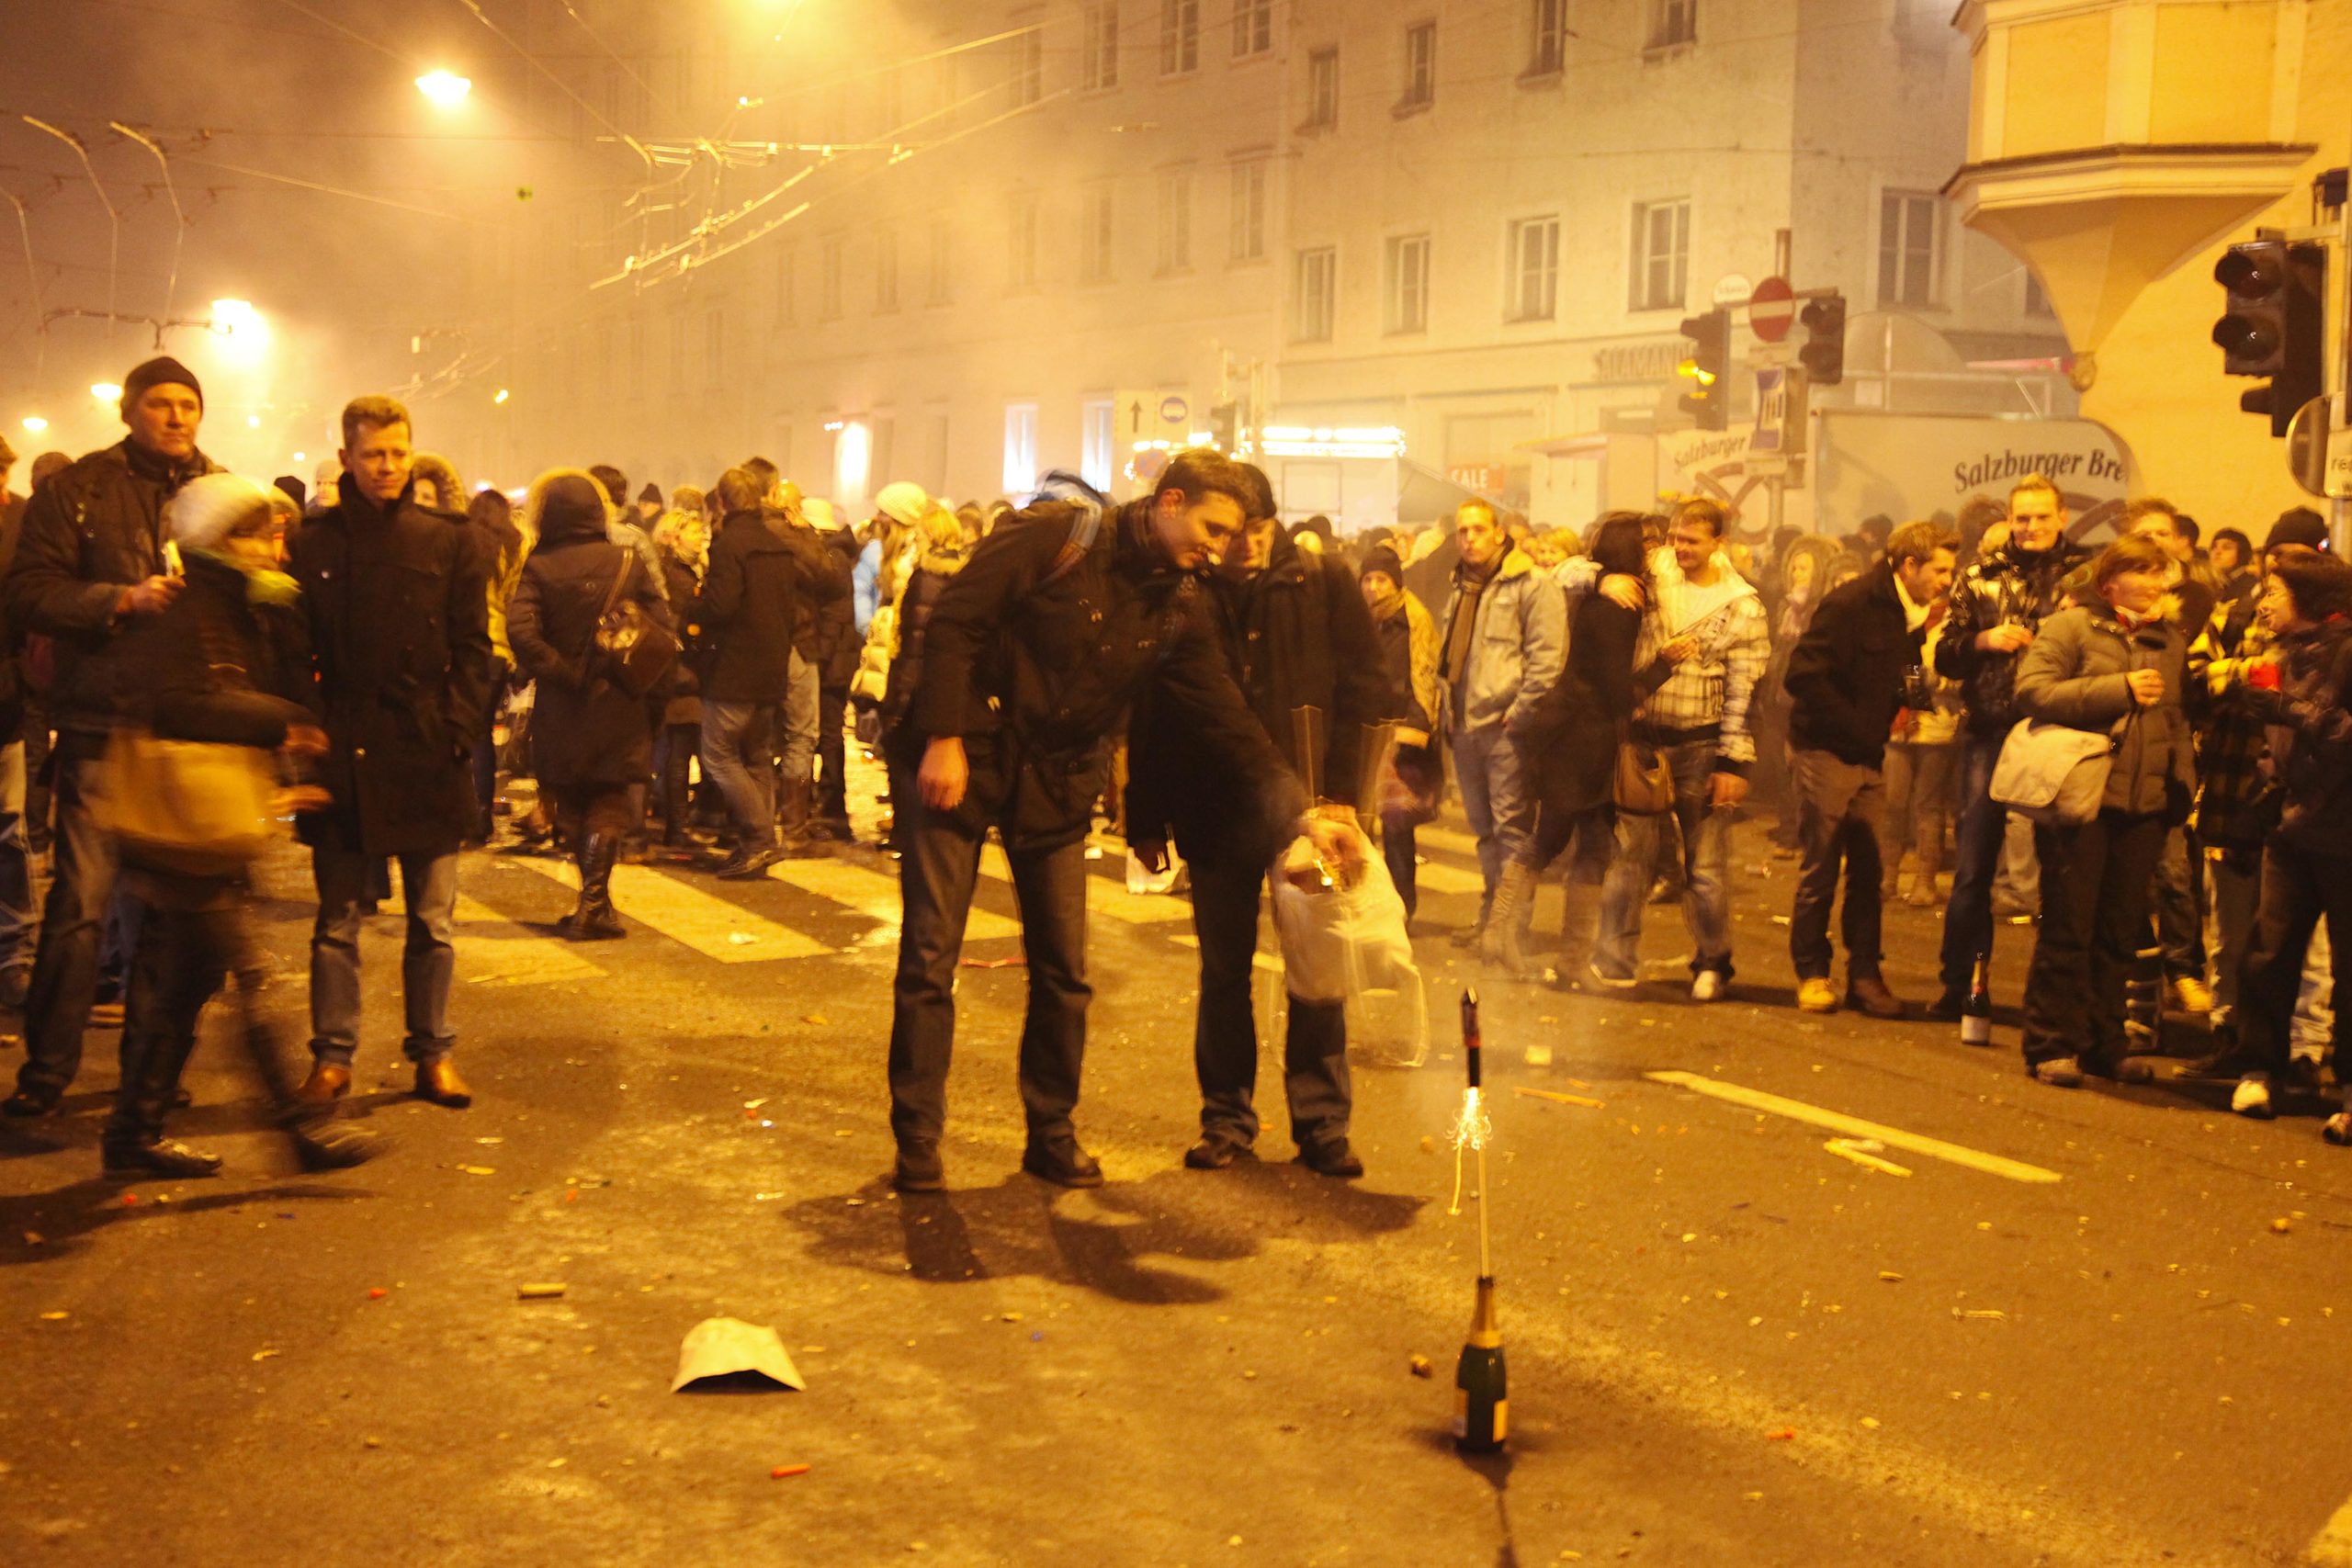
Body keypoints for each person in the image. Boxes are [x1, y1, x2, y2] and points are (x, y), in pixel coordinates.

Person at [888, 453, 1355, 1194]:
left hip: (1057, 778)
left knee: (1065, 972)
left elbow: (1225, 716)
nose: (1221, 547)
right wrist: (944, 735)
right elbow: (957, 621)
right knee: (930, 958)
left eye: (1232, 535)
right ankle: (918, 1138)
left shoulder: (1182, 602)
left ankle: (1051, 1133)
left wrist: (1302, 808)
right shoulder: (1057, 535)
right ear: (1170, 501)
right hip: (966, 758)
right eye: (1212, 527)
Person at [97, 475, 382, 1176]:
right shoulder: (187, 607)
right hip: (181, 827)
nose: (272, 548)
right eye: (258, 533)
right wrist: (282, 721)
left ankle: (132, 1134)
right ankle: (297, 1131)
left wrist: (282, 770)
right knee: (250, 978)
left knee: (185, 988)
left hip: (207, 821)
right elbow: (181, 706)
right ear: (221, 539)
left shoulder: (232, 608)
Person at [1127, 463, 1392, 1179]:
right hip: (1216, 807)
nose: (1235, 547)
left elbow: (1368, 687)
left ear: (1274, 526)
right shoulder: (1191, 587)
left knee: (1318, 966)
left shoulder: (1321, 581)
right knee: (1224, 973)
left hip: (1313, 814)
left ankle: (1322, 1123)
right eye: (1228, 533)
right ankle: (1227, 1119)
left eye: (1253, 533)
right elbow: (1160, 705)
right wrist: (1144, 816)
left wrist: (1342, 793)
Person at [4, 357, 217, 1118]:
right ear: (131, 411)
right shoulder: (80, 490)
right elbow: (30, 590)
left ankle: (150, 1076)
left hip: (184, 735)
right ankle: (47, 1070)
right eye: (160, 403)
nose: (176, 416)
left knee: (168, 919)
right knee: (81, 908)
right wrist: (118, 600)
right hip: (100, 723)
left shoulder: (220, 492)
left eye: (187, 404)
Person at [286, 396, 493, 1112]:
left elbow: (475, 648)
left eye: (399, 453)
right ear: (345, 456)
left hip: (425, 747)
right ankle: (333, 1057)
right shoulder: (313, 542)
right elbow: (294, 650)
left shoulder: (451, 538)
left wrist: (455, 728)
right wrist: (309, 729)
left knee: (433, 920)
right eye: (374, 453)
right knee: (337, 919)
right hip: (344, 747)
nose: (388, 467)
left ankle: (433, 1052)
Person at [2010, 534, 2195, 1089]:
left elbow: (2176, 720)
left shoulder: (2170, 639)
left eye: (2162, 573)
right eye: (2145, 572)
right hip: (2080, 798)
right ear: (2111, 581)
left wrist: (2181, 784)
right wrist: (2118, 687)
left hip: (2143, 806)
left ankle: (2103, 1044)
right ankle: (2051, 1045)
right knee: (2069, 926)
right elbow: (2034, 691)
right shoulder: (2070, 628)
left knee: (2119, 933)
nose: (2158, 583)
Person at [1590, 498, 1768, 1001]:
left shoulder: (1742, 605)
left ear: (1718, 543)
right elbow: (1568, 570)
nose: (1679, 548)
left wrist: (1734, 763)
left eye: (1691, 540)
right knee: (1629, 860)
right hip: (1643, 743)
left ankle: (1712, 963)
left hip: (1701, 745)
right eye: (1674, 538)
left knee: (1705, 867)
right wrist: (1601, 580)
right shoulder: (1653, 572)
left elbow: (1743, 691)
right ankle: (1614, 960)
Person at [2199, 555, 2352, 1133]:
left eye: (2274, 591)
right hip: (2292, 830)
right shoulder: (2287, 655)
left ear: (2309, 598)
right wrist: (2265, 788)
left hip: (2344, 832)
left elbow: (2338, 730)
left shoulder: (2346, 651)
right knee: (2269, 952)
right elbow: (2283, 743)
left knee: (2348, 965)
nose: (2262, 602)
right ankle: (2259, 1069)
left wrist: (2285, 708)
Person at [1928, 474, 2089, 1018]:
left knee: (2067, 874)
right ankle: (1964, 987)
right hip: (1990, 732)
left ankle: (2058, 998)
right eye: (2023, 517)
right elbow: (1945, 654)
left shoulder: (2087, 576)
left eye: (2042, 516)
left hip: (2064, 734)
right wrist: (1983, 640)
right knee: (1974, 868)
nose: (2032, 527)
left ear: (2062, 516)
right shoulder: (1980, 576)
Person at [1781, 521, 1957, 1017]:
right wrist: (1858, 725)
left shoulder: (1909, 610)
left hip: (1869, 753)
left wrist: (1915, 700)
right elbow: (1803, 674)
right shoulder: (1851, 604)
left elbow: (1905, 663)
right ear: (1909, 565)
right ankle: (1813, 973)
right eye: (1940, 569)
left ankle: (1865, 976)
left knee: (1869, 868)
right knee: (1821, 865)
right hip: (1826, 751)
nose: (1947, 579)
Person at [1490, 513, 1661, 983]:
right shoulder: (1614, 605)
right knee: (1558, 839)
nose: (1653, 554)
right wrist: (1662, 668)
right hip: (1583, 742)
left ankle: (1567, 959)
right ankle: (1507, 936)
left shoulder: (1607, 594)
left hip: (1581, 739)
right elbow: (1615, 688)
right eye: (1647, 546)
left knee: (1588, 843)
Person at [508, 470, 673, 941]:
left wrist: (559, 669)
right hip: (620, 701)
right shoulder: (626, 560)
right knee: (609, 799)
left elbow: (521, 631)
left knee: (575, 800)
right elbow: (661, 625)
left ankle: (593, 902)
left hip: (563, 705)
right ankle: (595, 903)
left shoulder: (539, 566)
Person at [1436, 498, 1566, 943]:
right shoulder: (1462, 583)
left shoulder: (1530, 582)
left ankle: (1510, 927)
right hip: (1465, 725)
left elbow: (1547, 658)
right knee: (1483, 831)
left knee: (1511, 829)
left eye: (1477, 530)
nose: (1468, 538)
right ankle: (1490, 918)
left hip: (1504, 727)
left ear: (1498, 533)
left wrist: (1521, 713)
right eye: (1462, 531)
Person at [695, 466, 831, 877]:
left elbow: (721, 606)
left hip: (736, 669)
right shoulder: (776, 544)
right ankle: (759, 840)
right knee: (756, 755)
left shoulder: (730, 544)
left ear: (722, 501)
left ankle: (759, 838)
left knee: (717, 754)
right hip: (773, 666)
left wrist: (693, 614)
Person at [1359, 546, 1440, 919]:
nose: (1374, 587)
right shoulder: (1358, 618)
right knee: (1360, 826)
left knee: (1396, 826)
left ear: (1396, 582)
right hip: (1363, 731)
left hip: (1400, 733)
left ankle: (1401, 907)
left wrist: (1414, 730)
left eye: (1382, 579)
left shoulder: (1413, 620)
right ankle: (1366, 904)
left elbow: (1423, 678)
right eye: (1368, 579)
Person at [805, 494, 866, 841]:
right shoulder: (836, 555)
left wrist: (819, 656)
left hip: (833, 662)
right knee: (826, 733)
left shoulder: (833, 558)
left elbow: (834, 615)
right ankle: (828, 801)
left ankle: (831, 805)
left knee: (828, 733)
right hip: (835, 658)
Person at [653, 507, 709, 852]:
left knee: (678, 750)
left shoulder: (681, 570)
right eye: (694, 531)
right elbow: (680, 623)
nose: (701, 536)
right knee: (679, 751)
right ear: (674, 536)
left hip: (681, 671)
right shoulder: (675, 575)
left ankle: (677, 822)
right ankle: (677, 826)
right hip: (681, 673)